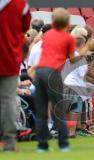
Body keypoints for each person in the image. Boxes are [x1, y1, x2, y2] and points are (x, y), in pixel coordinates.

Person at [34, 8, 76, 152]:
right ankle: (63, 144)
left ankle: (42, 146)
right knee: (58, 110)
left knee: (41, 112)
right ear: (67, 21)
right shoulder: (68, 38)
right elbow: (74, 59)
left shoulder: (47, 35)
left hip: (40, 72)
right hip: (53, 73)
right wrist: (88, 47)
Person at [0, 0, 31, 151]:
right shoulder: (20, 4)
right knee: (8, 100)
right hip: (8, 57)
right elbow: (24, 27)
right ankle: (9, 143)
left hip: (9, 57)